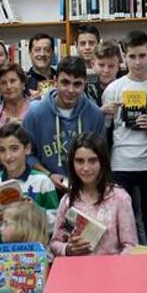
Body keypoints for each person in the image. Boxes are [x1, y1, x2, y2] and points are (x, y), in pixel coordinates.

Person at [102, 31, 147, 244]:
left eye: (142, 56)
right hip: (121, 163)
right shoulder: (113, 89)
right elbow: (106, 130)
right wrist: (103, 113)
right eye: (132, 56)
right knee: (122, 217)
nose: (137, 62)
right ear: (124, 58)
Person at [22, 56, 106, 193]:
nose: (71, 90)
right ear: (55, 82)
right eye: (65, 82)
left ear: (85, 84)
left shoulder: (95, 114)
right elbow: (26, 155)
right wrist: (48, 175)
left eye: (77, 84)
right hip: (46, 190)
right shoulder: (35, 113)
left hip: (84, 191)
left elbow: (101, 157)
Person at [49, 134, 138, 256]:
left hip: (112, 271)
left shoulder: (120, 198)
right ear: (72, 163)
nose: (86, 168)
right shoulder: (68, 200)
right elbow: (55, 242)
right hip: (77, 270)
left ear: (102, 162)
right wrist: (68, 249)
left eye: (92, 160)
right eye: (80, 161)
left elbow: (130, 246)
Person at [0, 123, 59, 244]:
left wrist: (35, 211)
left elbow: (56, 226)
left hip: (35, 255)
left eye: (14, 149)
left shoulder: (42, 181)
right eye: (2, 150)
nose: (8, 156)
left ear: (27, 149)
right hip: (1, 256)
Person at [85, 40, 121, 108]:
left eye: (111, 66)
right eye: (101, 65)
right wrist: (101, 112)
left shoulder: (124, 87)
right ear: (92, 64)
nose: (106, 70)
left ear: (118, 67)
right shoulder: (84, 86)